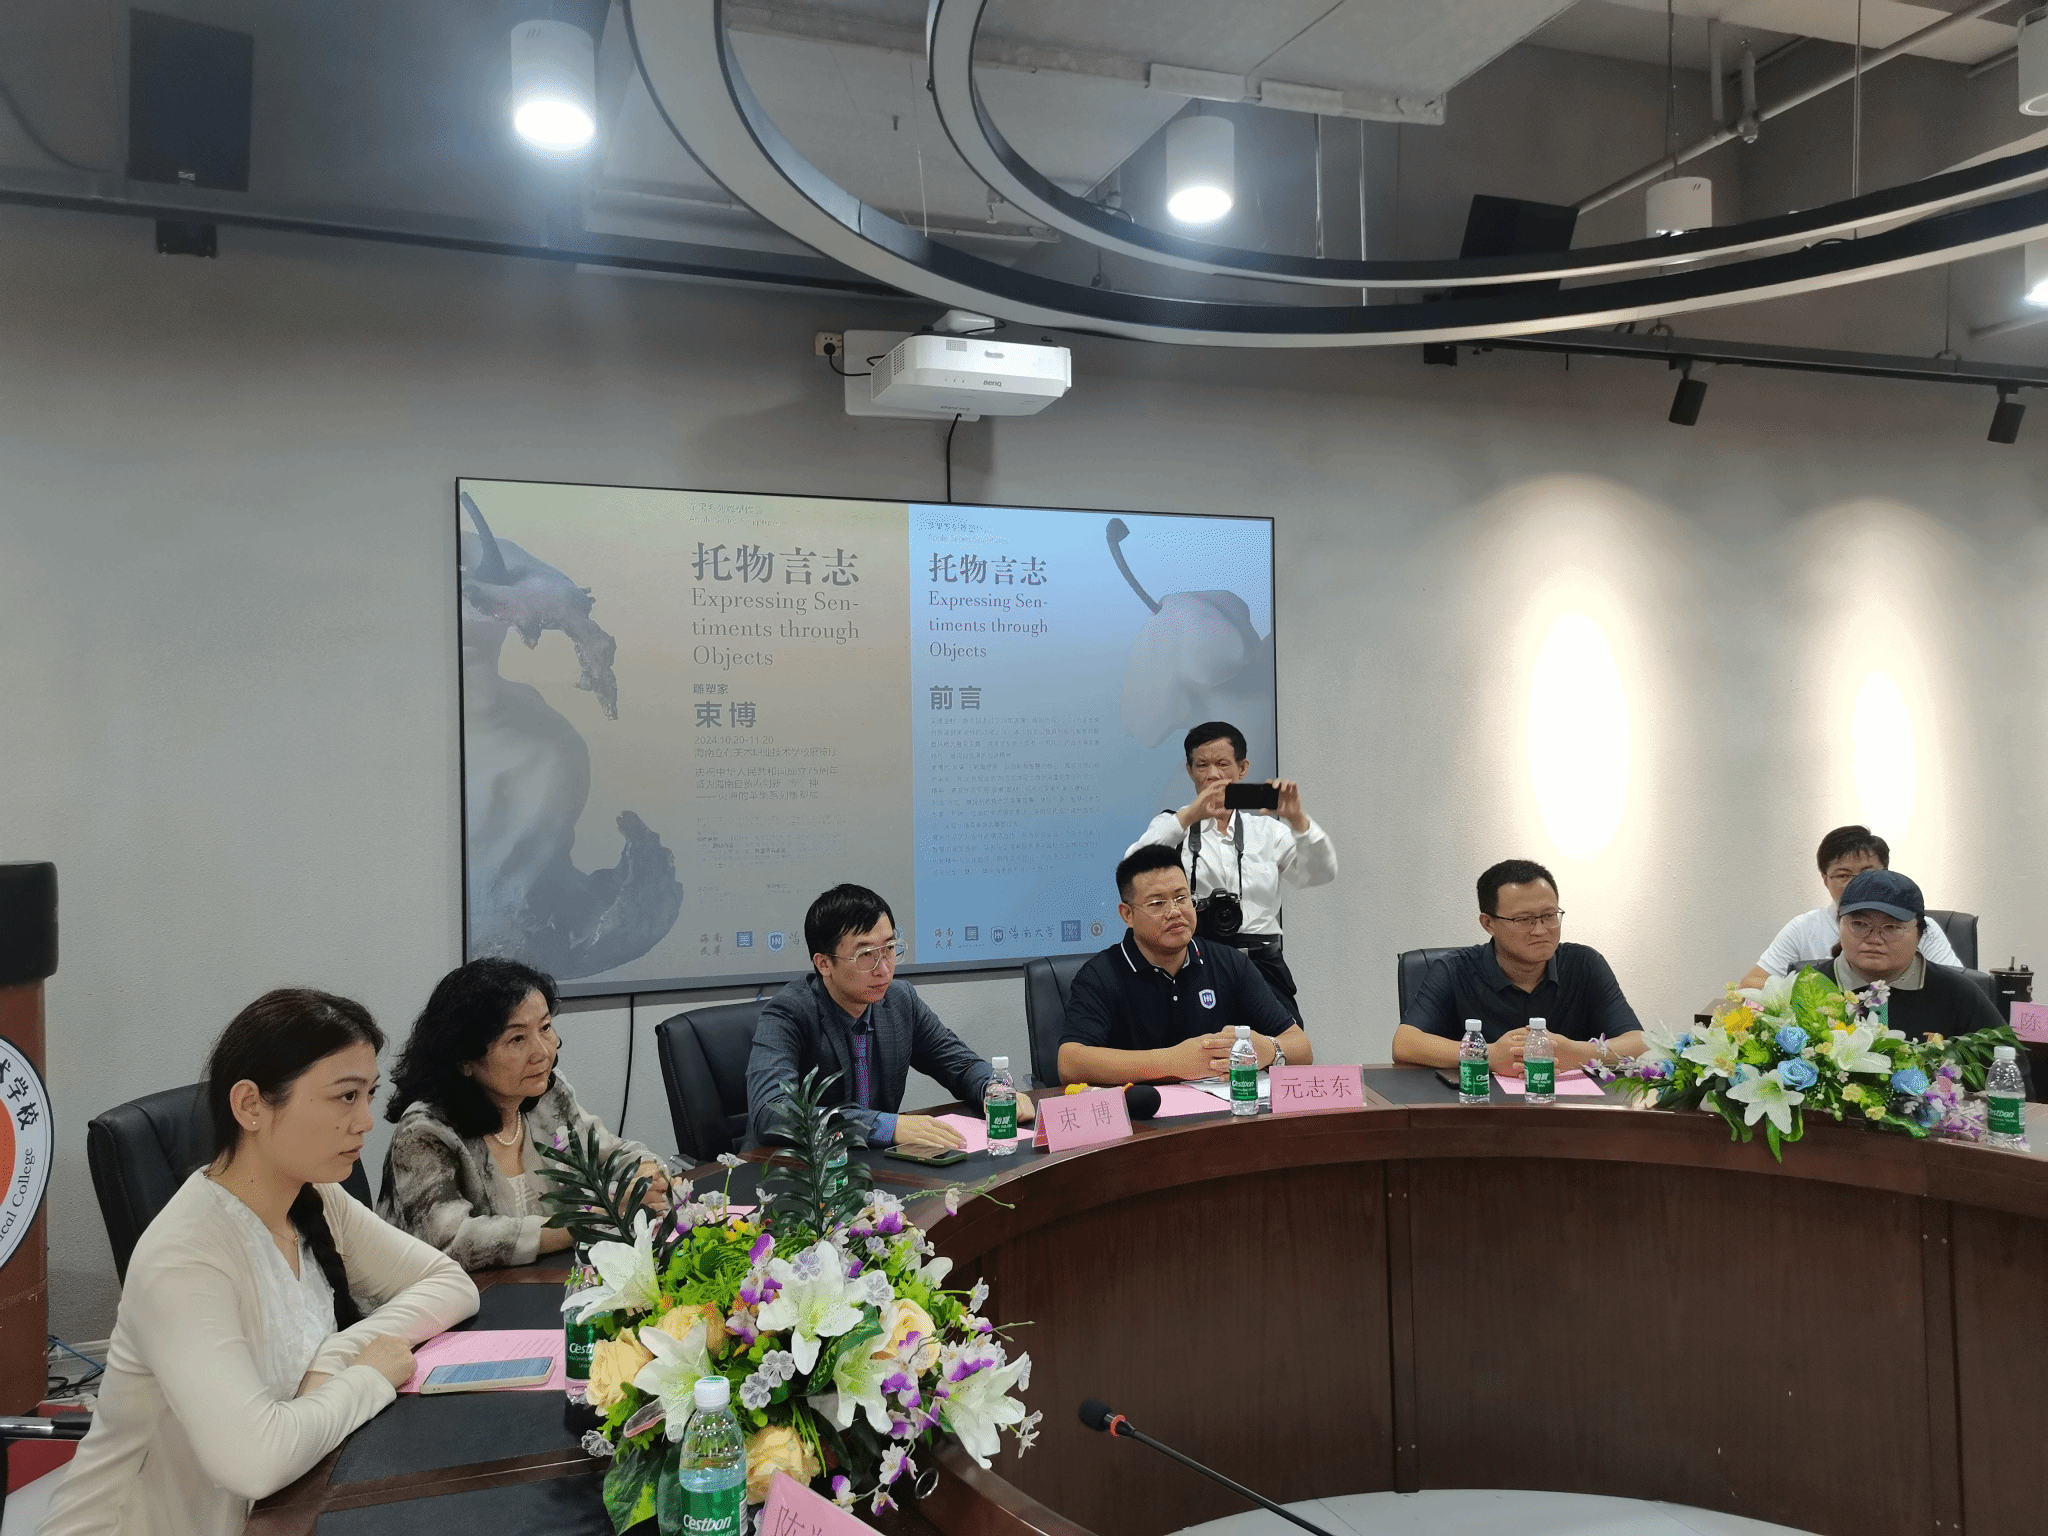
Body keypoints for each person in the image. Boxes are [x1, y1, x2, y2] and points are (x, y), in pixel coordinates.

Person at [40, 990, 477, 1536]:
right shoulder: (185, 1257)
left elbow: (452, 1284)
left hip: (281, 1511)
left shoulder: (318, 1199)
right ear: (250, 1106)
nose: (366, 1121)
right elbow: (255, 1460)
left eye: (369, 1094)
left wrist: (338, 1355)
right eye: (345, 1096)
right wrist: (368, 1375)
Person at [380, 958, 668, 1270]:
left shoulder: (547, 1096)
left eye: (545, 1028)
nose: (543, 1052)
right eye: (517, 1039)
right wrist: (592, 1218)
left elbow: (610, 1153)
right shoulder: (424, 1132)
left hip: (545, 1282)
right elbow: (453, 1242)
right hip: (461, 1297)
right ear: (464, 1058)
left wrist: (646, 1173)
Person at [743, 884, 1034, 1151]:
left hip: (877, 1166)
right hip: (800, 1173)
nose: (883, 969)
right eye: (866, 955)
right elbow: (771, 1113)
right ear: (824, 964)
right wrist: (887, 1126)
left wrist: (993, 1089)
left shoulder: (899, 1001)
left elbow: (958, 1064)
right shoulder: (788, 1013)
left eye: (890, 949)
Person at [1125, 721, 1337, 1019]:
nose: (1213, 774)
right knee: (1204, 1044)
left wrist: (1298, 820)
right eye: (1202, 765)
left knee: (1285, 1041)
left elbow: (1320, 873)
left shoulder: (1267, 831)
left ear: (1243, 768)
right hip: (1198, 960)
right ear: (1190, 771)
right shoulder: (1174, 826)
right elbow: (1132, 869)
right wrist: (1189, 816)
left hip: (1263, 963)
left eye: (1223, 764)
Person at [1059, 843, 1311, 1084]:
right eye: (1157, 903)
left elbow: (1301, 1047)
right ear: (1128, 914)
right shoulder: (1101, 975)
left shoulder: (1230, 963)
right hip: (1144, 1111)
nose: (1175, 911)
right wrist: (1174, 1062)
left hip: (1220, 1108)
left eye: (1182, 898)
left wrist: (1268, 1049)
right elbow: (1070, 1063)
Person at [1393, 859, 1645, 1077]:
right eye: (1524, 919)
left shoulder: (1584, 964)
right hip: (1478, 1107)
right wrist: (1489, 1054)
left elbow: (1640, 1044)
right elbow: (1405, 1044)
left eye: (1549, 916)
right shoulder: (1454, 969)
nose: (1541, 930)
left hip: (1566, 1109)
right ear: (1488, 923)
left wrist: (1575, 1053)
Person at [1821, 872, 2019, 1078]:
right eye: (1859, 924)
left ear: (1919, 933)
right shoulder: (1809, 986)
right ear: (1840, 924)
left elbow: (2011, 1076)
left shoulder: (1957, 993)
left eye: (1891, 927)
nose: (1874, 938)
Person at [1738, 824, 1958, 990]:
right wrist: (1812, 996)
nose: (1857, 883)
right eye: (1843, 875)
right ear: (1825, 879)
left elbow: (1958, 984)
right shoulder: (1803, 928)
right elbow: (1750, 984)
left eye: (1868, 873)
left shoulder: (1916, 927)